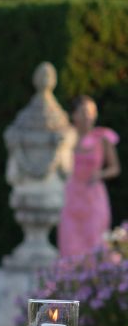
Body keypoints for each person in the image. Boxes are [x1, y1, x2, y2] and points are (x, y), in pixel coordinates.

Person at [59, 95, 120, 258]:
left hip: (94, 197)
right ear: (75, 115)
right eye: (84, 111)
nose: (89, 116)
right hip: (71, 196)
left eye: (92, 112)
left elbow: (115, 168)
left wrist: (100, 174)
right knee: (70, 243)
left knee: (94, 242)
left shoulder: (102, 138)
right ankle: (68, 282)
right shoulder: (67, 138)